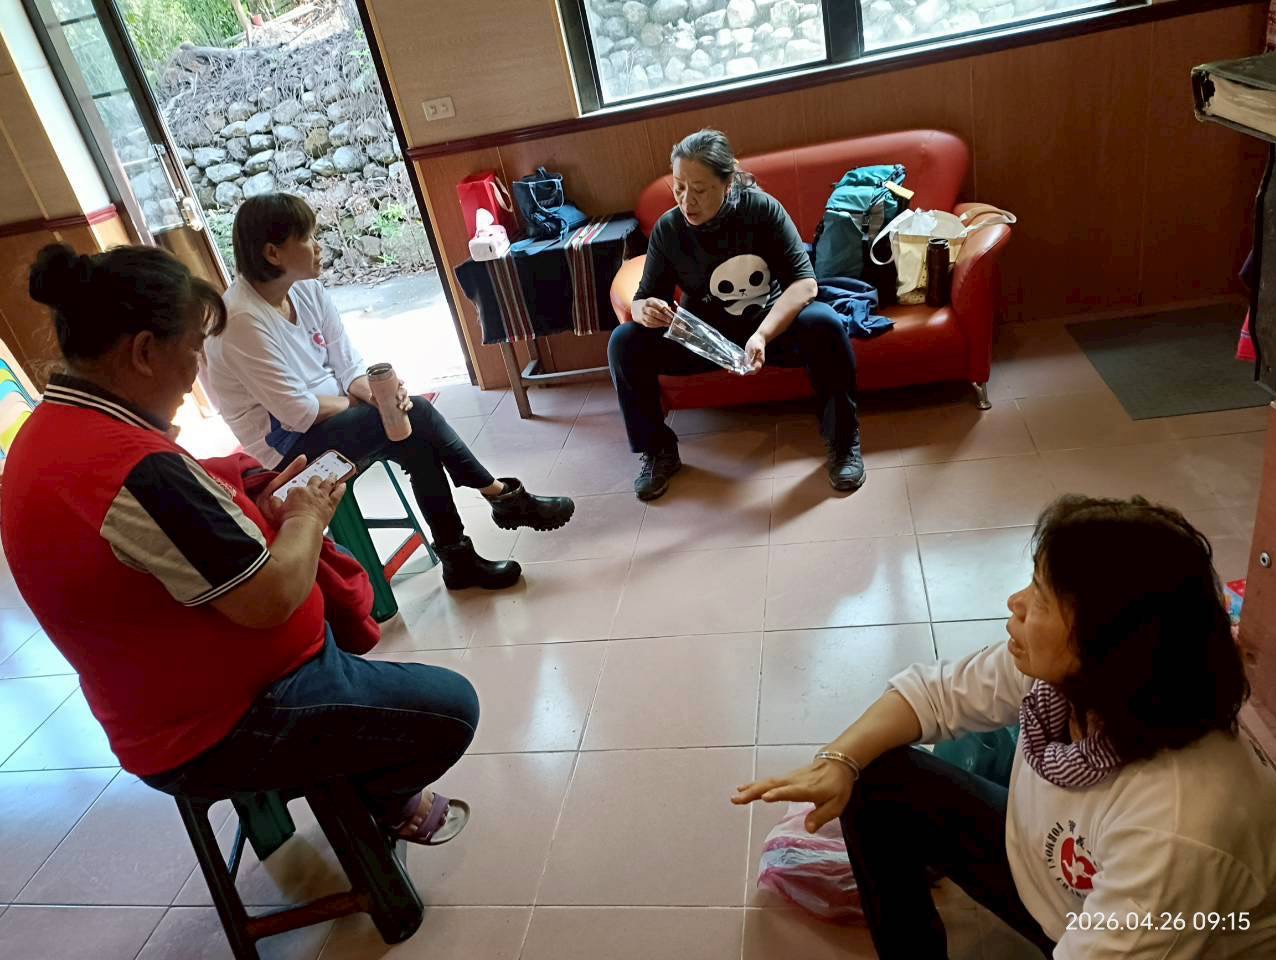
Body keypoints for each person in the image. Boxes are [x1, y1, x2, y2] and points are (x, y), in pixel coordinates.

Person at [3, 243, 475, 845]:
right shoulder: (130, 467)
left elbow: (163, 542)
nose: (198, 368)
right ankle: (375, 801)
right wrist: (306, 517)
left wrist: (259, 511)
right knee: (453, 710)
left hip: (172, 695)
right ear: (144, 352)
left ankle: (358, 774)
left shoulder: (52, 428)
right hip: (217, 725)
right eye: (193, 348)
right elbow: (271, 599)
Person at [734, 495, 1276, 958]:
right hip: (1050, 878)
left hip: (1145, 934)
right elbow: (934, 695)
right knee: (874, 777)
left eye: (1041, 594)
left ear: (1110, 644)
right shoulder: (1079, 683)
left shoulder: (1176, 826)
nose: (1016, 602)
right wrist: (837, 760)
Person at [203, 193, 574, 591]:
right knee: (413, 414)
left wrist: (385, 395)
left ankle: (460, 558)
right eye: (308, 238)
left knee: (415, 436)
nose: (319, 246)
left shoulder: (306, 290)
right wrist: (377, 403)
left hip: (333, 420)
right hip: (287, 453)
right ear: (273, 253)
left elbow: (349, 367)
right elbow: (298, 412)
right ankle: (499, 494)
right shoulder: (240, 319)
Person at [609, 128, 863, 501]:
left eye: (699, 189)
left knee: (824, 323)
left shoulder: (761, 210)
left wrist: (762, 335)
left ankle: (843, 442)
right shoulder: (670, 229)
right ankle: (658, 451)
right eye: (679, 187)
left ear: (727, 183)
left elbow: (805, 285)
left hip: (768, 330)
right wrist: (643, 309)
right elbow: (644, 298)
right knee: (625, 342)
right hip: (706, 339)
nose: (687, 200)